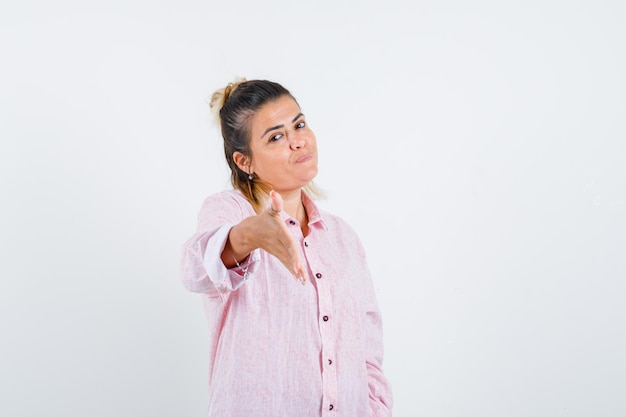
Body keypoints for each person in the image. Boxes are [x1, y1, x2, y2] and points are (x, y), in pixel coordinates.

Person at [180, 78, 393, 417]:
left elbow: (367, 350)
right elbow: (195, 271)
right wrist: (248, 235)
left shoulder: (343, 237)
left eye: (300, 124)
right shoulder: (230, 212)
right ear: (244, 161)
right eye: (276, 137)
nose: (298, 141)